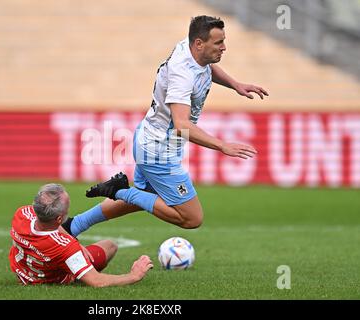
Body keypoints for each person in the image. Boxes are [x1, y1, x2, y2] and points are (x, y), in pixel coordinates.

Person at [62, 15, 269, 237]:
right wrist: (222, 146)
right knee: (191, 218)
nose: (224, 48)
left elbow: (206, 67)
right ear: (199, 43)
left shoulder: (189, 48)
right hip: (159, 151)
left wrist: (235, 85)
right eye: (218, 43)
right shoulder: (182, 74)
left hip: (150, 137)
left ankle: (74, 225)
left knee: (145, 197)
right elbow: (181, 124)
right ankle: (120, 190)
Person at [8, 183, 153, 287]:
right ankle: (76, 276)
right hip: (49, 279)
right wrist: (134, 275)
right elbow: (97, 281)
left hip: (23, 272)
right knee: (110, 246)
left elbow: (51, 229)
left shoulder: (22, 213)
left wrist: (74, 243)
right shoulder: (65, 248)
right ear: (59, 219)